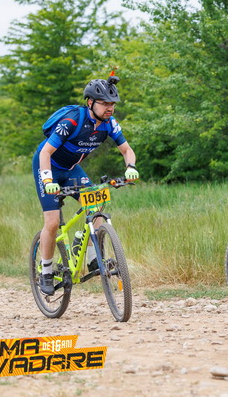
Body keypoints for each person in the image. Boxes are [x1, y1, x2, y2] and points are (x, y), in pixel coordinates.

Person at [32, 76, 139, 295]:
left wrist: (131, 167)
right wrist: (47, 180)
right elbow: (45, 152)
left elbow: (127, 150)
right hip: (48, 167)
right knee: (52, 222)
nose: (110, 108)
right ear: (90, 102)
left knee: (96, 208)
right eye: (105, 103)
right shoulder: (72, 122)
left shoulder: (109, 124)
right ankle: (46, 271)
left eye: (112, 104)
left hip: (72, 169)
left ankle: (92, 259)